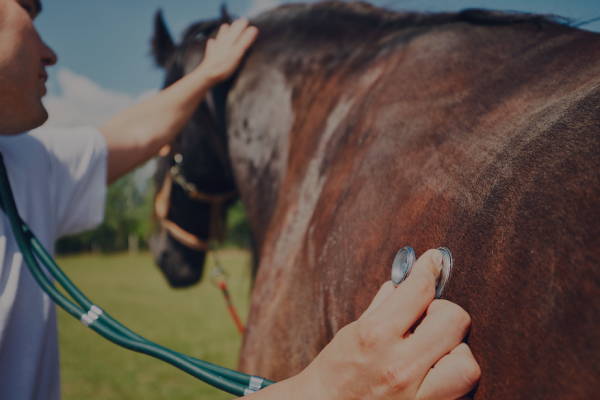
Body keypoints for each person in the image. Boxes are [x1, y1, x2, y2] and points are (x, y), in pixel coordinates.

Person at [0, 0, 480, 399]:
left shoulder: (25, 162)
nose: (50, 53)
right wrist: (322, 390)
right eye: (28, 10)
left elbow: (135, 132)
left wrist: (206, 73)